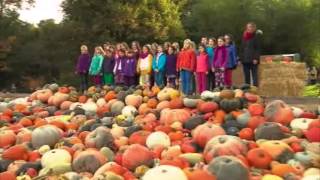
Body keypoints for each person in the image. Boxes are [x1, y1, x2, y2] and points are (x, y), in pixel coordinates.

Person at [240, 22, 261, 87]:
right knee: (246, 76)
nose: (249, 28)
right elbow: (242, 48)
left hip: (253, 60)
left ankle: (256, 90)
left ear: (253, 28)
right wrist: (241, 58)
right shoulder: (244, 36)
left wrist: (256, 58)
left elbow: (258, 48)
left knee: (254, 76)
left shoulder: (256, 36)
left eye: (251, 27)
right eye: (248, 27)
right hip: (245, 60)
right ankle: (247, 90)